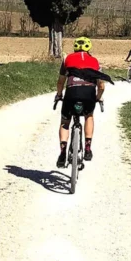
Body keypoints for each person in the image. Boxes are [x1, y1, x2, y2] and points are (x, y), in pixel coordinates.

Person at [56, 37, 106, 168]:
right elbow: (101, 86)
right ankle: (88, 147)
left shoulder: (67, 59)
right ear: (89, 48)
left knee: (65, 121)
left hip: (72, 93)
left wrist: (59, 95)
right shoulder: (95, 61)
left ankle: (62, 152)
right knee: (88, 116)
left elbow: (61, 82)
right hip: (89, 93)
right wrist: (98, 97)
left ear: (75, 47)